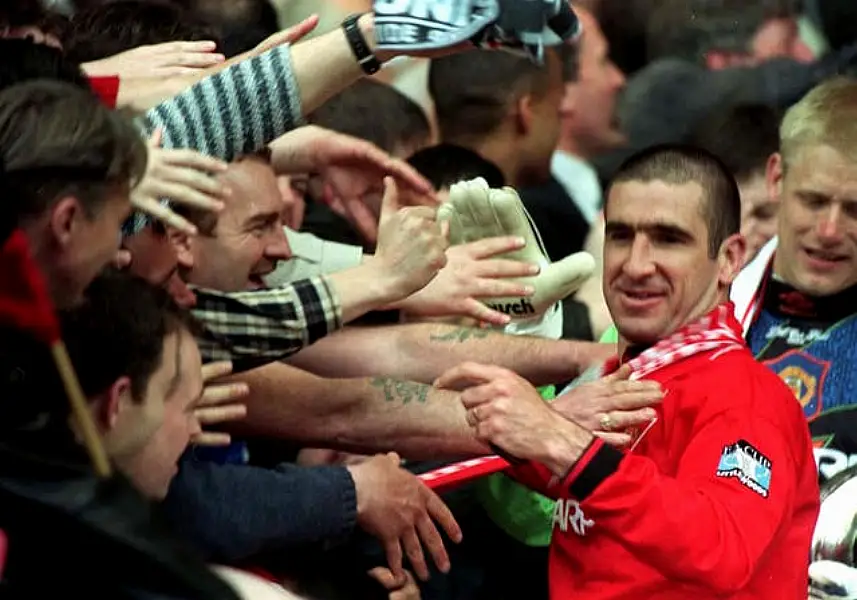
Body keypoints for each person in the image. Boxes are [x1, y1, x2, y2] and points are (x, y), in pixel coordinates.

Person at [436, 145, 819, 598]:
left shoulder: (746, 398)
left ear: (729, 259)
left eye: (668, 239)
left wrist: (564, 444)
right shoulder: (622, 375)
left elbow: (723, 550)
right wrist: (519, 332)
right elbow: (531, 482)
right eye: (620, 235)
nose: (635, 265)